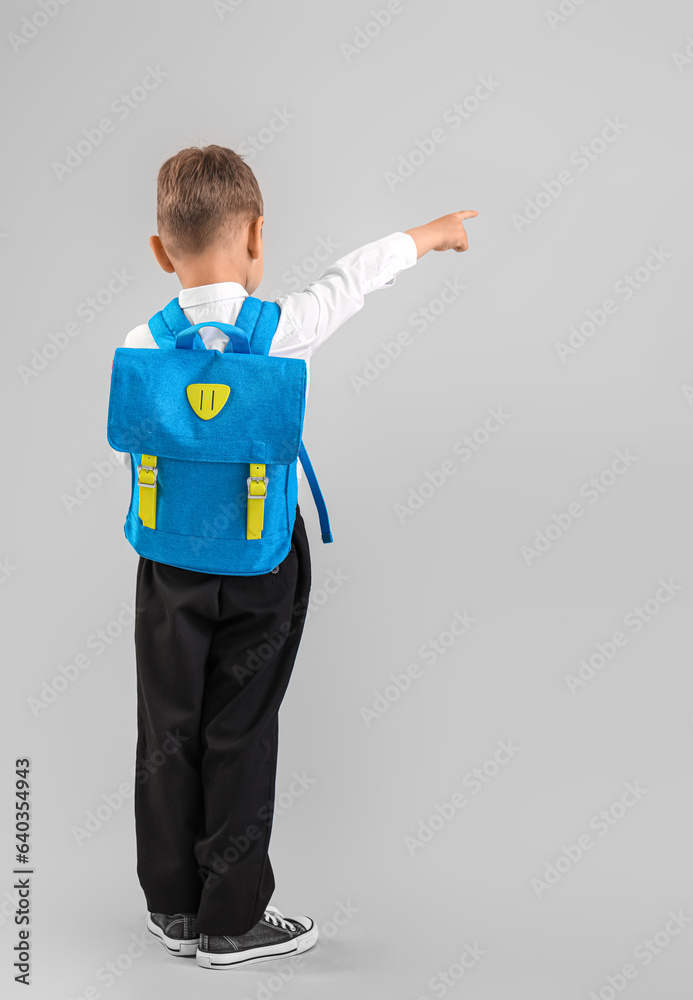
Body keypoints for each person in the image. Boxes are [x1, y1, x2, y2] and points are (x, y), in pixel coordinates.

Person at [111, 143, 476, 970]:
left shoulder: (140, 339)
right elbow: (355, 277)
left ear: (161, 251)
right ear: (257, 240)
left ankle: (171, 905)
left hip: (167, 565)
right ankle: (232, 919)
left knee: (166, 726)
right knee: (241, 727)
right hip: (261, 561)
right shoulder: (284, 330)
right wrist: (432, 234)